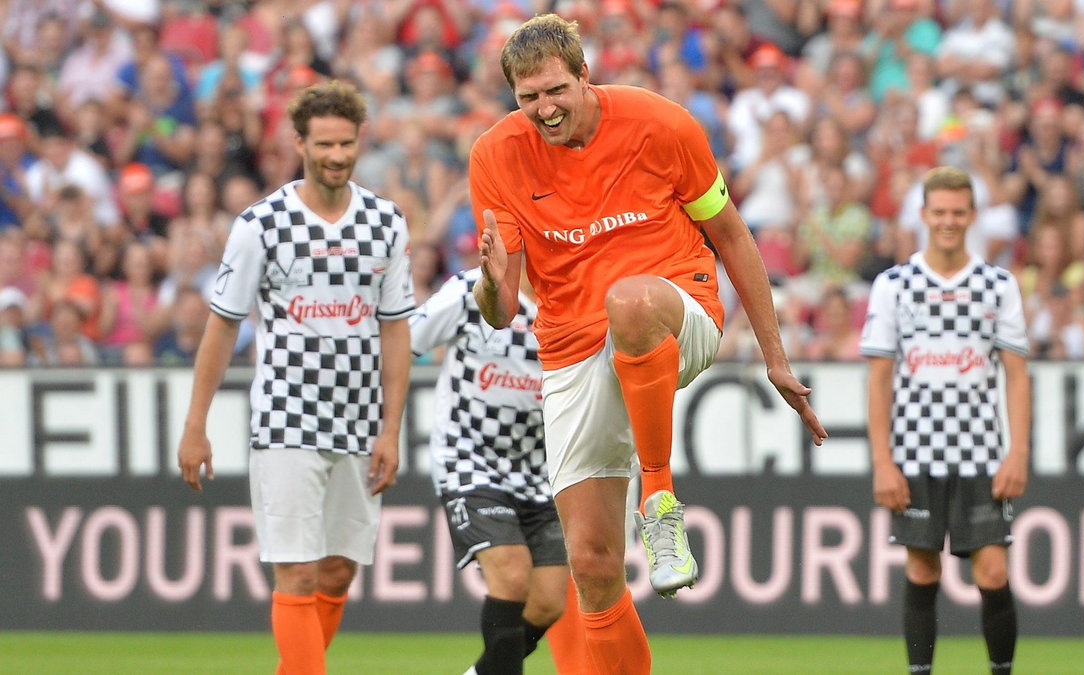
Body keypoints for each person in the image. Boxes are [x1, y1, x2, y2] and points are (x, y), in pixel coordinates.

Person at [469, 14, 827, 673]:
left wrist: (775, 357)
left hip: (674, 309)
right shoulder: (495, 155)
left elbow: (733, 236)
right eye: (528, 98)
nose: (544, 109)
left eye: (555, 90)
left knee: (628, 300)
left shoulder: (662, 123)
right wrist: (489, 287)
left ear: (584, 75)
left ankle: (659, 502)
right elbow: (499, 309)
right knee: (594, 562)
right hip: (571, 345)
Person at [176, 80, 415, 675]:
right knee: (297, 569)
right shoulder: (261, 224)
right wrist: (195, 425)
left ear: (360, 141)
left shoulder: (386, 223)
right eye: (325, 144)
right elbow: (223, 325)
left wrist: (392, 430)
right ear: (299, 143)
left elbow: (395, 330)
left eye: (346, 144)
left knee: (337, 571)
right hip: (286, 418)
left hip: (360, 424)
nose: (336, 155)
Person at [860, 166, 1031, 675]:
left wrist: (1017, 453)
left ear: (973, 215)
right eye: (940, 213)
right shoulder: (894, 285)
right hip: (914, 452)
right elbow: (878, 380)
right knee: (921, 566)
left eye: (959, 212)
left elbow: (1018, 378)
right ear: (924, 215)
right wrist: (882, 462)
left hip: (982, 451)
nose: (949, 222)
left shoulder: (998, 286)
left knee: (994, 572)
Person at [409, 266, 573, 675]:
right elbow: (407, 337)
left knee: (549, 601)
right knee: (512, 577)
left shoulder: (576, 299)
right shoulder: (473, 290)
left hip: (539, 469)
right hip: (469, 458)